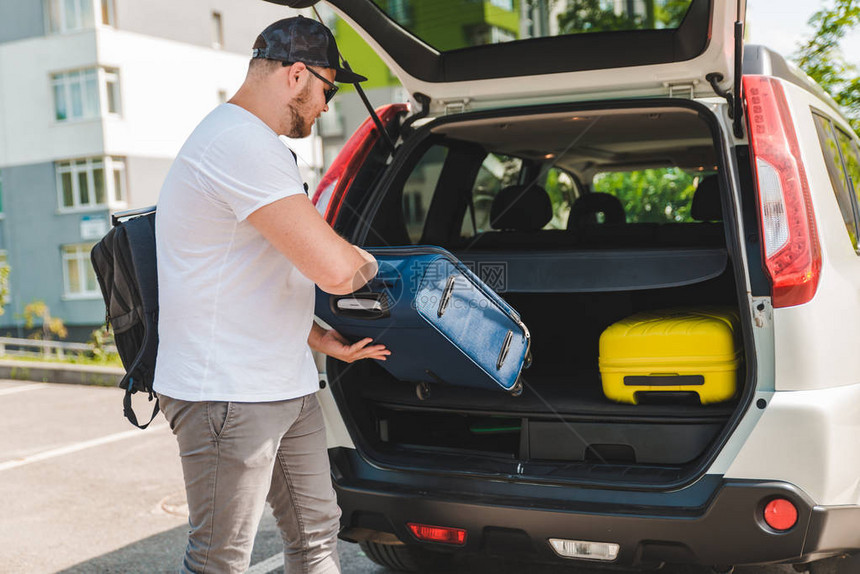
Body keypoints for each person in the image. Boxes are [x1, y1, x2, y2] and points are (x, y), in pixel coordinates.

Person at [153, 16, 389, 574]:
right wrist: (386, 264)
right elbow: (335, 271)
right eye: (327, 91)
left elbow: (242, 270)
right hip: (228, 393)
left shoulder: (255, 145)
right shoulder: (236, 143)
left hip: (283, 379)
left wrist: (313, 335)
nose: (326, 106)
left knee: (316, 537)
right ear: (297, 75)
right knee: (221, 560)